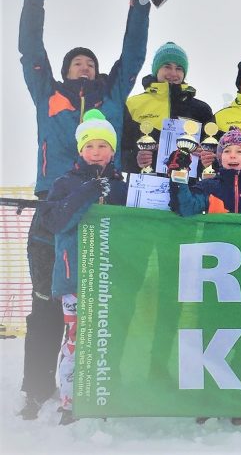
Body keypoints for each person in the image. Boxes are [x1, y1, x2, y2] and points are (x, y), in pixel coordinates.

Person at [17, 0, 148, 420]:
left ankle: (100, 383)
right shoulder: (47, 93)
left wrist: (138, 2)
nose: (85, 66)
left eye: (90, 63)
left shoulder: (111, 95)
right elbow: (30, 50)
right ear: (65, 70)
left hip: (104, 210)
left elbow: (133, 54)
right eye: (77, 62)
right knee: (46, 304)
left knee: (102, 305)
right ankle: (37, 389)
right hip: (53, 210)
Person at [41, 111, 129, 425]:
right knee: (76, 339)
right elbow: (54, 221)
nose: (95, 151)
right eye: (89, 145)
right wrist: (89, 190)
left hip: (112, 276)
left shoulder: (121, 186)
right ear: (80, 150)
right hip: (74, 277)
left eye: (103, 145)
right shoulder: (65, 183)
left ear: (113, 151)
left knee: (107, 337)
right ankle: (70, 402)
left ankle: (104, 396)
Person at [122, 41, 213, 175]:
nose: (173, 73)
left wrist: (203, 156)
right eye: (167, 66)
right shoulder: (133, 104)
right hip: (144, 182)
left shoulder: (201, 109)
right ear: (156, 69)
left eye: (179, 68)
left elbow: (214, 156)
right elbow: (117, 151)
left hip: (186, 183)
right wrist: (135, 160)